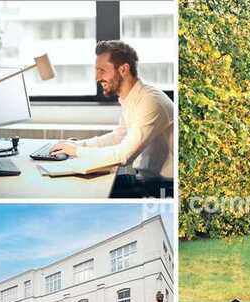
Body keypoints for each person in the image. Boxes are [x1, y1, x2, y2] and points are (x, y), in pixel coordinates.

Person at [50, 40, 174, 198]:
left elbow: (123, 156)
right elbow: (119, 136)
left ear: (123, 69)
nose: (96, 77)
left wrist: (76, 151)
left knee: (81, 192)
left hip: (160, 186)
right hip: (143, 178)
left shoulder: (150, 101)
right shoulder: (131, 98)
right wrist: (78, 144)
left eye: (102, 70)